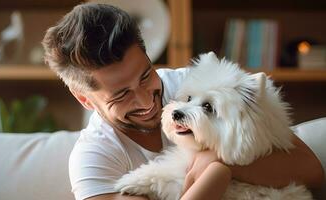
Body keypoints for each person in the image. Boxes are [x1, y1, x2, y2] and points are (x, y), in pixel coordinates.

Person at [42, 3, 325, 200]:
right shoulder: (94, 159)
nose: (146, 101)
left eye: (145, 76)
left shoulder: (195, 85)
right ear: (85, 100)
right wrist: (217, 173)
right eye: (122, 94)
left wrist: (215, 158)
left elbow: (310, 170)